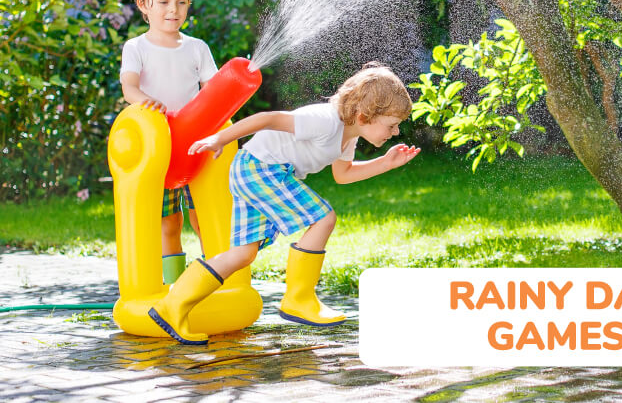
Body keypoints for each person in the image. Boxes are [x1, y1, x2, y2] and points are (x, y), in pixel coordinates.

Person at [148, 63, 421, 344]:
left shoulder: (348, 136)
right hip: (260, 169)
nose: (396, 132)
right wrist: (220, 138)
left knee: (242, 255)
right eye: (391, 125)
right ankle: (298, 298)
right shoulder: (324, 120)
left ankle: (172, 306)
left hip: (254, 170)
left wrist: (385, 163)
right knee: (324, 218)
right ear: (364, 116)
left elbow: (343, 174)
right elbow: (267, 118)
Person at [119, 0, 218, 284]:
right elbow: (129, 87)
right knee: (169, 222)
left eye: (181, 2)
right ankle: (174, 284)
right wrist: (144, 100)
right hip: (158, 148)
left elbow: (214, 91)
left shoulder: (196, 48)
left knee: (204, 217)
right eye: (163, 2)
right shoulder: (136, 47)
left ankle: (213, 278)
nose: (173, 10)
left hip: (195, 145)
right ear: (144, 6)